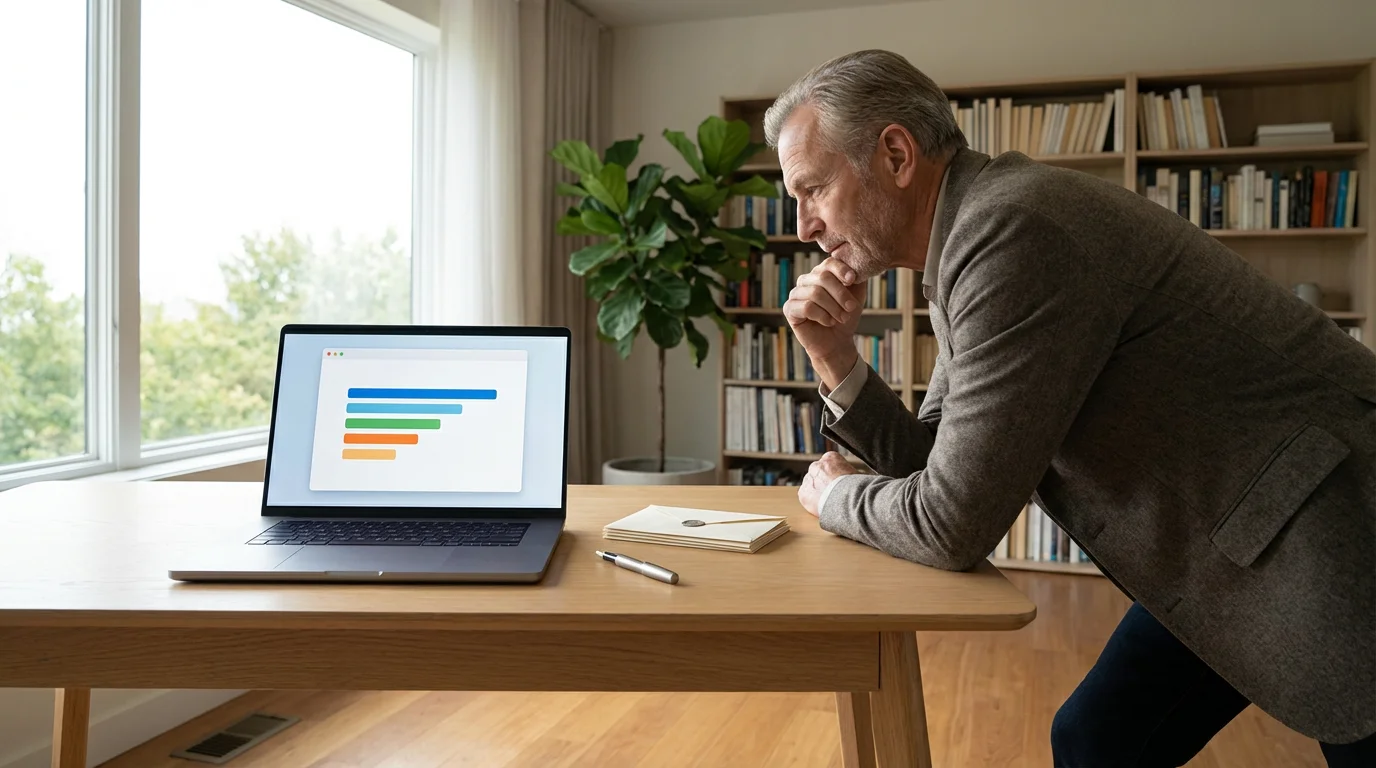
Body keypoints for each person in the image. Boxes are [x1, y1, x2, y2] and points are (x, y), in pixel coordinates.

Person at [764, 49, 1376, 767]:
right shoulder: (974, 236)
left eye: (812, 189)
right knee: (1098, 739)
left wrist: (836, 498)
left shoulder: (1013, 233)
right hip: (1233, 546)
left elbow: (950, 523)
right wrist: (834, 355)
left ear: (896, 153)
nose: (803, 224)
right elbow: (932, 461)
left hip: (1331, 534)